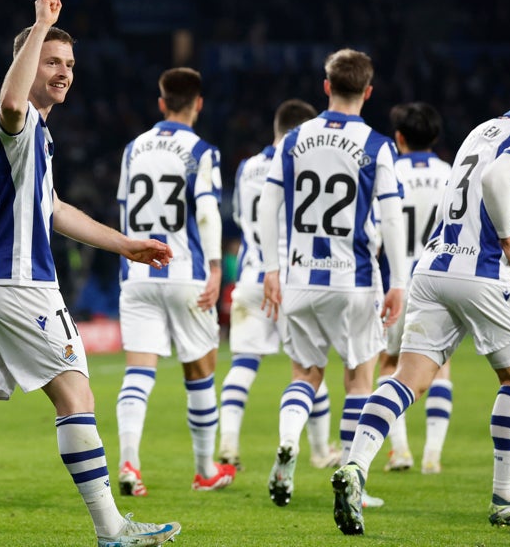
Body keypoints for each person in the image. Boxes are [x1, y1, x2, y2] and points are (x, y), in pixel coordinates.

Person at [0, 0, 180, 547]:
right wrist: (41, 27)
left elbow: (53, 209)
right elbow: (12, 98)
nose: (63, 74)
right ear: (29, 62)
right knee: (77, 396)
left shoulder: (34, 137)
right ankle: (112, 528)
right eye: (53, 62)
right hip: (19, 281)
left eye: (69, 66)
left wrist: (123, 243)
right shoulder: (16, 118)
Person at [332, 53, 510, 535]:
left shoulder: (483, 129)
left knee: (407, 378)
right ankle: (507, 498)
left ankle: (355, 466)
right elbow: (494, 182)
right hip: (482, 272)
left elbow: (478, 187)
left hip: (433, 267)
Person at [258, 48, 408, 509]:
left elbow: (269, 204)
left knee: (305, 374)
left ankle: (288, 444)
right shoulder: (378, 145)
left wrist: (270, 267)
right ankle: (350, 474)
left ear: (325, 87)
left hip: (300, 278)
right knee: (359, 379)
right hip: (355, 280)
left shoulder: (294, 139)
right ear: (368, 91)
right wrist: (399, 278)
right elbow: (392, 216)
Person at [113, 66, 235, 496]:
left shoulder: (133, 149)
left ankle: (130, 463)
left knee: (138, 374)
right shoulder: (202, 151)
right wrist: (218, 268)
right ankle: (204, 470)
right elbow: (205, 211)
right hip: (185, 271)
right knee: (200, 372)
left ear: (161, 102)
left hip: (138, 274)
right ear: (198, 103)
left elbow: (126, 210)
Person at [219, 99, 343, 473]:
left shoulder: (247, 168)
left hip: (252, 277)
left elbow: (242, 218)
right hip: (293, 279)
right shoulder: (306, 165)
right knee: (309, 369)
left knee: (242, 365)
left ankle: (227, 447)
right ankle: (321, 451)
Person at [377, 103, 455, 474]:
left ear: (399, 138)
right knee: (441, 364)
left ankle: (402, 451)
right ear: (435, 138)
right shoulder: (452, 173)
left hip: (398, 280)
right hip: (439, 278)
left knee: (390, 363)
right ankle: (433, 456)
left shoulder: (388, 170)